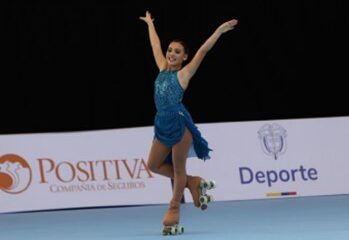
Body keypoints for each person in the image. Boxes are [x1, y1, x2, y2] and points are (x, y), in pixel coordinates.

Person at [140, 10, 238, 234]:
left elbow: (203, 50)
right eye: (170, 50)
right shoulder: (162, 69)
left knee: (178, 168)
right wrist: (150, 25)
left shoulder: (183, 75)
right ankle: (193, 182)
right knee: (153, 165)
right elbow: (155, 45)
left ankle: (174, 209)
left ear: (184, 56)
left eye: (177, 51)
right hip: (161, 125)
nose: (171, 53)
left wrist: (219, 31)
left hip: (179, 125)